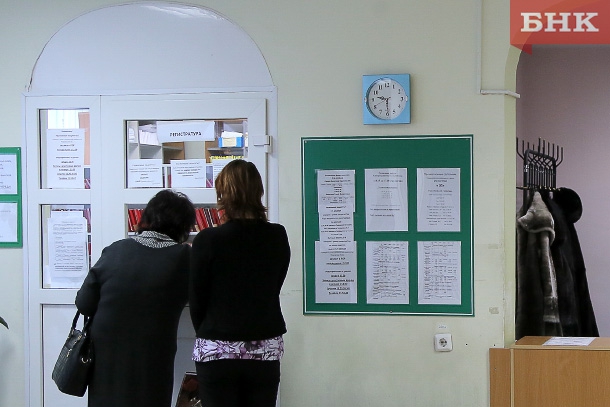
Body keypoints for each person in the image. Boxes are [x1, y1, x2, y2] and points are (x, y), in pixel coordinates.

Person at [75, 189, 196, 407]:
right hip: (151, 356)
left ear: (147, 217)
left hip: (106, 355)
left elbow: (84, 303)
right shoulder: (184, 258)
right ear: (182, 227)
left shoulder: (115, 250)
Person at [189, 159, 290, 407]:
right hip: (264, 346)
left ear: (224, 194)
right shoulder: (277, 236)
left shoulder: (208, 239)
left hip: (217, 348)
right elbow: (275, 285)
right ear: (258, 192)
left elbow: (197, 299)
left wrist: (212, 330)